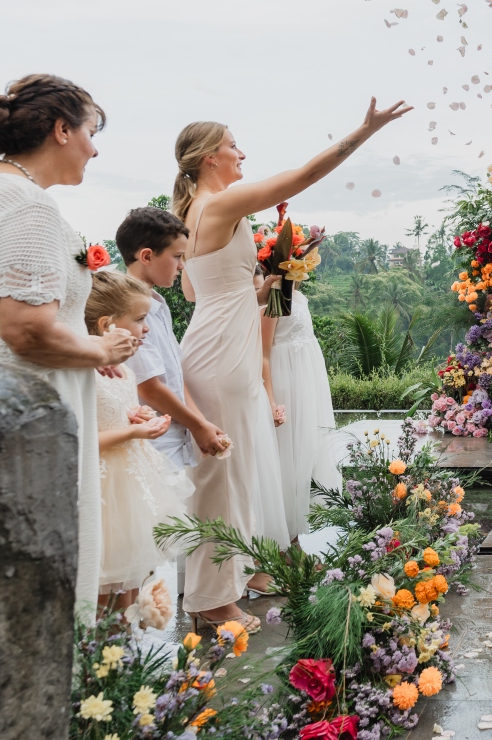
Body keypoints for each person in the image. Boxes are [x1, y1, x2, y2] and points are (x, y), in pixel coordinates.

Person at [173, 96, 412, 628]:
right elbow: (302, 177)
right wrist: (365, 130)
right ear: (210, 157)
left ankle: (227, 585)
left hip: (217, 343)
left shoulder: (194, 212)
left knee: (234, 477)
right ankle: (210, 602)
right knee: (223, 481)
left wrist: (263, 287)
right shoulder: (220, 204)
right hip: (223, 354)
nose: (241, 153)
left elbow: (195, 291)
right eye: (233, 145)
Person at [0, 74, 140, 609]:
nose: (94, 149)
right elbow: (26, 330)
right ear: (62, 131)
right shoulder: (27, 205)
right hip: (21, 408)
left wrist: (79, 349)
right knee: (30, 576)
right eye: (91, 133)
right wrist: (100, 350)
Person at [86, 270, 193, 609]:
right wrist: (133, 431)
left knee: (130, 587)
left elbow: (115, 411)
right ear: (107, 325)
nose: (146, 328)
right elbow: (83, 440)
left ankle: (127, 641)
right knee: (104, 592)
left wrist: (136, 415)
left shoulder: (125, 369)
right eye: (139, 319)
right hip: (103, 494)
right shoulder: (84, 373)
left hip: (132, 490)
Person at [117, 207, 227, 470]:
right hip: (154, 441)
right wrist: (197, 426)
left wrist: (200, 424)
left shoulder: (158, 303)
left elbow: (175, 375)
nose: (181, 266)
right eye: (177, 256)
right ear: (147, 256)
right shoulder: (128, 312)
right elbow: (149, 387)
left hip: (175, 437)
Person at [261, 275, 339, 541]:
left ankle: (294, 537)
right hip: (286, 383)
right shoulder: (274, 297)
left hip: (307, 386)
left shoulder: (300, 297)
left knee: (305, 455)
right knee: (286, 456)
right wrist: (271, 399)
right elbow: (264, 352)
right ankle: (283, 541)